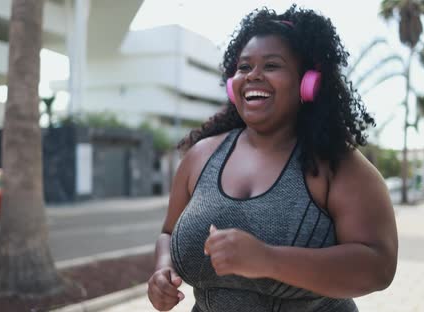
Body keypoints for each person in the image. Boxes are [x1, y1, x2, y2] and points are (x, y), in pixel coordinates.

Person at [148, 5, 398, 312]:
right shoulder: (200, 156)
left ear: (308, 83)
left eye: (271, 65)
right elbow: (168, 233)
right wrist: (163, 270)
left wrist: (268, 259)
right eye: (243, 67)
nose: (253, 76)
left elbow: (378, 266)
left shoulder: (338, 165)